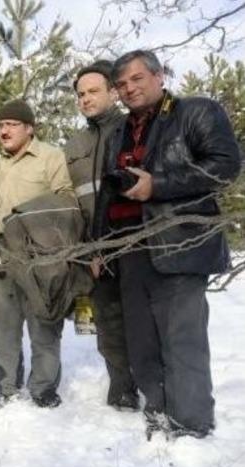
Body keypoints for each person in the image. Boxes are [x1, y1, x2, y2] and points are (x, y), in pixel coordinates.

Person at [93, 50, 241, 439]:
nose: (129, 89)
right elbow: (106, 196)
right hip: (128, 250)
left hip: (178, 245)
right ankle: (158, 410)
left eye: (137, 79)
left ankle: (191, 425)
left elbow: (226, 165)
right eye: (122, 84)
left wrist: (158, 185)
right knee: (142, 340)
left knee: (181, 339)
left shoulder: (195, 112)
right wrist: (98, 246)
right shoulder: (118, 132)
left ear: (159, 76)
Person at [0, 99, 75, 408]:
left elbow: (66, 199)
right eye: (0, 126)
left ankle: (43, 389)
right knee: (2, 329)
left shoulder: (50, 157)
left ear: (29, 128)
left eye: (11, 125)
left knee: (44, 325)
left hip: (39, 255)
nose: (4, 131)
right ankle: (7, 388)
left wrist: (32, 223)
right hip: (0, 253)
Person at [64, 60, 139, 411]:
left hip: (133, 242)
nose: (85, 99)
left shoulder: (133, 129)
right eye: (80, 94)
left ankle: (155, 385)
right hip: (92, 249)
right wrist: (83, 250)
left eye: (93, 91)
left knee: (142, 320)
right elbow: (70, 201)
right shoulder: (74, 142)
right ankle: (122, 388)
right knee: (104, 322)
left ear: (113, 92)